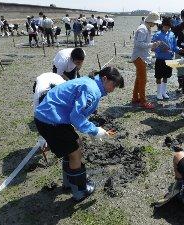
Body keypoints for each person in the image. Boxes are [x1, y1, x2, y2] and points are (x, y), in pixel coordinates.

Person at [34, 66, 124, 201]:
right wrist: (95, 130)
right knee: (76, 154)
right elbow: (76, 117)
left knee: (76, 145)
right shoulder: (92, 90)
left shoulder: (90, 83)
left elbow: (76, 113)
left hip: (51, 116)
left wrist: (93, 131)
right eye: (113, 85)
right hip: (51, 120)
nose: (113, 89)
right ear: (105, 79)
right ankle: (80, 191)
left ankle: (69, 183)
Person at [131, 12, 162, 109]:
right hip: (139, 57)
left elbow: (143, 43)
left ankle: (135, 98)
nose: (155, 25)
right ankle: (143, 102)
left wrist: (152, 45)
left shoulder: (146, 28)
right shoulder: (143, 29)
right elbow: (138, 44)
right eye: (155, 23)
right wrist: (151, 45)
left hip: (142, 56)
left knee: (139, 78)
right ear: (151, 21)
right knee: (143, 80)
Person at [152, 17, 182, 100]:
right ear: (162, 26)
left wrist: (179, 49)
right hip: (160, 59)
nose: (167, 28)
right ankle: (158, 93)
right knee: (158, 76)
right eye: (165, 26)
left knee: (166, 76)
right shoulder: (157, 34)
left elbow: (174, 46)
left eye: (169, 27)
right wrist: (160, 49)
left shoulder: (172, 34)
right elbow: (152, 47)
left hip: (169, 59)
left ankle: (164, 92)